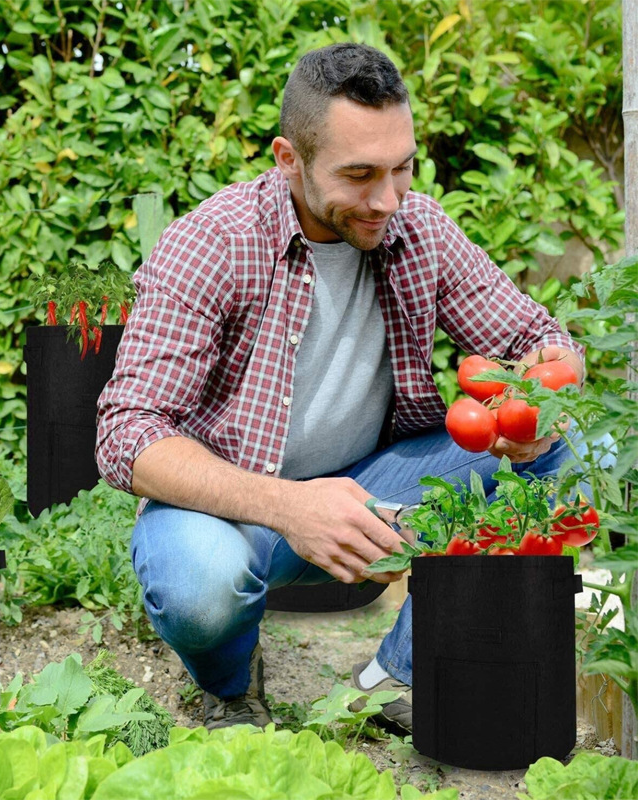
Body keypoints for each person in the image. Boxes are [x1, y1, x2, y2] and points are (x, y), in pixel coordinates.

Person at [95, 42, 585, 733]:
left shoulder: (419, 230)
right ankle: (231, 684)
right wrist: (291, 507)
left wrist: (544, 396)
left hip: (374, 494)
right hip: (235, 512)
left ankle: (391, 678)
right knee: (199, 588)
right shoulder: (212, 244)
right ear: (288, 159)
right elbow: (127, 435)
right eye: (359, 174)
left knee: (579, 450)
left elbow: (538, 336)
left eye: (402, 167)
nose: (387, 199)